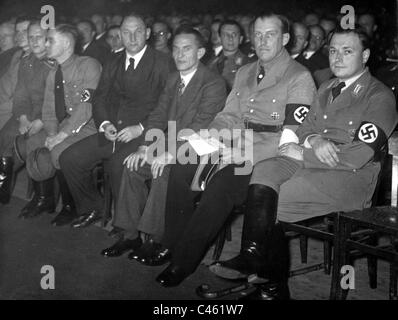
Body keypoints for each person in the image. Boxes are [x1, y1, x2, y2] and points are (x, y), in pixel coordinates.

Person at [211, 26, 397, 300]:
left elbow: (357, 155)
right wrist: (314, 141)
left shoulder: (379, 96)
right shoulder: (326, 87)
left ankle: (270, 286)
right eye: (333, 51)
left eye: (348, 51)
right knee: (264, 170)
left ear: (365, 55)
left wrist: (305, 152)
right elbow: (302, 129)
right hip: (312, 163)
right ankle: (254, 260)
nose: (338, 57)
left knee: (274, 198)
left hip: (350, 178)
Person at [144, 12, 316, 288]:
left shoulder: (299, 77)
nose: (262, 41)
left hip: (268, 155)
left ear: (285, 38)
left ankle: (183, 262)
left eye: (270, 34)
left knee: (220, 187)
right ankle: (171, 243)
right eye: (257, 35)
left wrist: (244, 155)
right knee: (181, 167)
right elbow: (229, 115)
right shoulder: (247, 71)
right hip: (233, 141)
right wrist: (205, 139)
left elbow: (290, 136)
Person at [100, 26, 226, 259]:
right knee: (133, 165)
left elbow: (200, 127)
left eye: (186, 49)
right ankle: (130, 235)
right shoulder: (172, 79)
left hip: (199, 148)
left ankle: (159, 240)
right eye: (176, 49)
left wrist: (169, 153)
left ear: (200, 53)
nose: (179, 55)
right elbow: (158, 115)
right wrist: (145, 147)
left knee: (163, 170)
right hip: (169, 143)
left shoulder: (213, 83)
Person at [58, 13, 175, 228]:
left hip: (144, 134)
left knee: (118, 166)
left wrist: (140, 128)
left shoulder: (163, 63)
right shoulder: (113, 60)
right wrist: (105, 123)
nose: (132, 37)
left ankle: (127, 226)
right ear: (120, 34)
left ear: (147, 34)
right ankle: (93, 207)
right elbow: (100, 97)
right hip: (112, 131)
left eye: (138, 31)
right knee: (70, 159)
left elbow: (167, 107)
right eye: (126, 32)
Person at [21, 24, 102, 222]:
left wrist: (61, 136)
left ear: (66, 44)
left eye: (51, 40)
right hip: (65, 125)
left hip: (89, 125)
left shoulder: (88, 65)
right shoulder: (53, 73)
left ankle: (71, 205)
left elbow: (86, 108)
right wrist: (50, 134)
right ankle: (44, 200)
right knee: (33, 142)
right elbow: (49, 110)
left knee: (59, 151)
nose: (46, 44)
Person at [0, 20, 52, 205]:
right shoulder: (26, 62)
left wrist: (39, 120)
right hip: (26, 114)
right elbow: (20, 96)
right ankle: (3, 191)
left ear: (48, 38)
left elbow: (54, 102)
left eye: (39, 37)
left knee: (27, 143)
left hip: (47, 118)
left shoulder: (53, 62)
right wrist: (22, 118)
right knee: (6, 136)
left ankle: (43, 198)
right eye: (31, 38)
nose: (35, 41)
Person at [0, 16, 31, 130]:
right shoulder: (17, 55)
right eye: (18, 32)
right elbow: (5, 86)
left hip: (15, 112)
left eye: (25, 31)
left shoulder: (40, 58)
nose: (1, 40)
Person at [207, 20, 250, 92]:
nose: (230, 38)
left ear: (240, 39)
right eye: (225, 34)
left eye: (234, 35)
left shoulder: (248, 65)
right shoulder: (211, 63)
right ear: (220, 38)